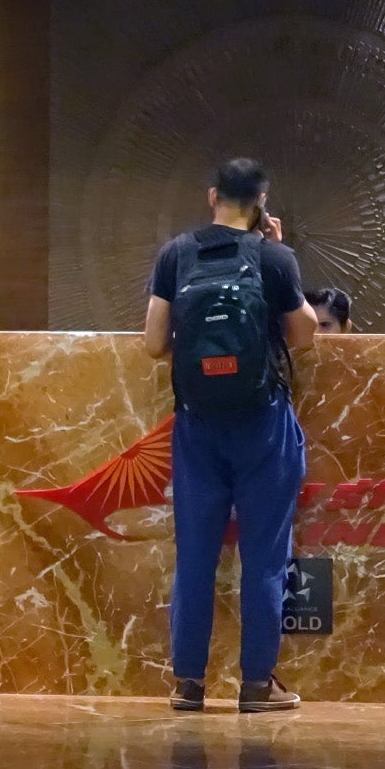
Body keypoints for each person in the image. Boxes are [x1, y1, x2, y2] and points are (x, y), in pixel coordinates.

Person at [143, 159, 318, 714]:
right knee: (264, 557)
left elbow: (153, 342)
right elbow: (305, 334)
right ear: (261, 201)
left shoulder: (176, 254)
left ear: (212, 195)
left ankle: (188, 684)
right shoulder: (274, 258)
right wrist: (278, 253)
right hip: (262, 422)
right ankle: (256, 685)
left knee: (195, 554)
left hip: (198, 424)